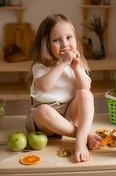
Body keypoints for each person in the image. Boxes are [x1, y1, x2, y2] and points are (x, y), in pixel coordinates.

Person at [26, 14, 100, 163]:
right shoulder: (40, 67)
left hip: (69, 115)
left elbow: (85, 87)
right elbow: (45, 86)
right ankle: (82, 136)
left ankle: (80, 140)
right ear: (46, 45)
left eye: (69, 37)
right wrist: (63, 64)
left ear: (75, 38)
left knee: (86, 94)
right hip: (45, 120)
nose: (65, 44)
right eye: (56, 40)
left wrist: (76, 68)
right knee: (42, 111)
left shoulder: (76, 64)